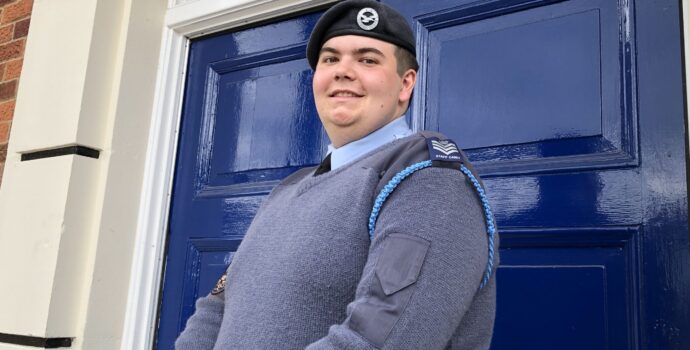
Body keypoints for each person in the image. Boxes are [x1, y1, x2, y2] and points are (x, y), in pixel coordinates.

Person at [175, 0, 498, 349]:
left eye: (367, 59)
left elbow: (378, 338)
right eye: (330, 59)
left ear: (406, 84)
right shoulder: (287, 190)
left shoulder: (429, 177)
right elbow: (217, 304)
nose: (343, 71)